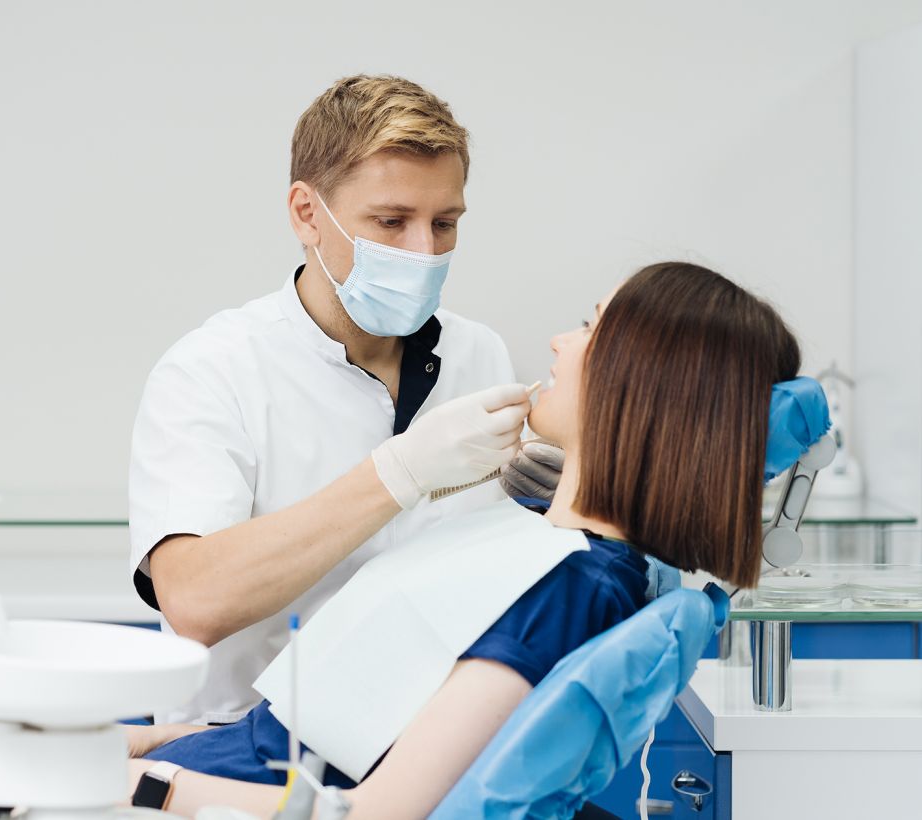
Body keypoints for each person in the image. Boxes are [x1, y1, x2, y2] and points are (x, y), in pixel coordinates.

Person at [126, 262, 799, 818]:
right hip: (223, 760)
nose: (560, 342)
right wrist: (151, 746)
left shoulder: (569, 590)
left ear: (641, 385)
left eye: (591, 327)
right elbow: (327, 735)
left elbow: (380, 812)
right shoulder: (550, 549)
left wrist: (144, 784)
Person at [128, 74, 562, 726]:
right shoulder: (211, 371)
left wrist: (552, 513)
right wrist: (398, 473)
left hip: (430, 748)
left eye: (444, 224)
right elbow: (193, 601)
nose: (425, 252)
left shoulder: (479, 354)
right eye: (391, 222)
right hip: (247, 754)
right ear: (307, 213)